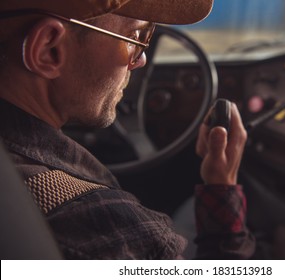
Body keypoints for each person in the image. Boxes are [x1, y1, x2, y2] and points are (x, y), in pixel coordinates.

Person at [0, 0, 255, 259]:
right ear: (49, 50)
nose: (140, 60)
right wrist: (223, 188)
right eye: (134, 37)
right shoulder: (110, 229)